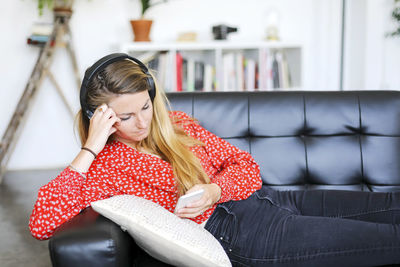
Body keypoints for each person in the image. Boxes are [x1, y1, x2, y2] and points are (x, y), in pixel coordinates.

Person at [30, 53, 400, 267]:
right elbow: (41, 222)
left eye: (145, 106)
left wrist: (214, 188)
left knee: (393, 206)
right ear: (100, 117)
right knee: (390, 240)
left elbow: (246, 166)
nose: (141, 122)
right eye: (125, 117)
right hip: (245, 234)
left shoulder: (174, 124)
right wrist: (90, 147)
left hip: (270, 199)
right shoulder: (103, 167)